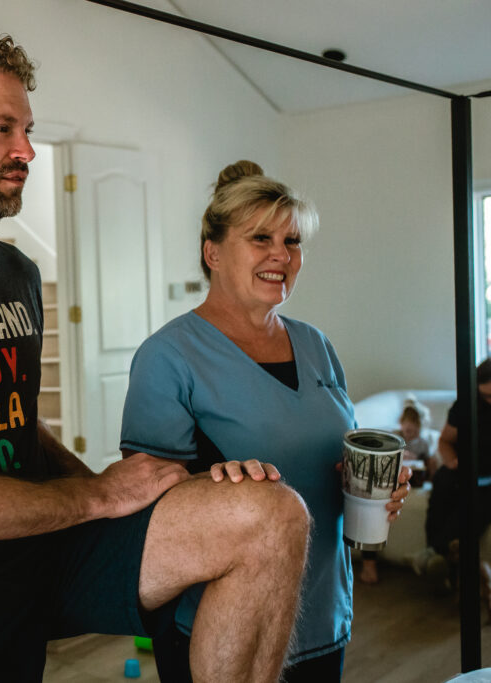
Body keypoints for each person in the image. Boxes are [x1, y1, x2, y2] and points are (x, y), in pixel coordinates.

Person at [0, 36, 311, 683]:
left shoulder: (17, 273)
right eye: (2, 128)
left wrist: (122, 493)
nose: (25, 150)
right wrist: (95, 494)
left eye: (27, 130)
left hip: (49, 552)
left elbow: (16, 422)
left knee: (271, 516)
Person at [120, 161, 412, 682]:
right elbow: (147, 504)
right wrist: (216, 488)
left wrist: (368, 489)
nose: (282, 254)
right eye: (261, 238)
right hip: (220, 629)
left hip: (322, 611)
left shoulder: (317, 346)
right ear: (213, 252)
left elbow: (328, 463)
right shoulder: (169, 357)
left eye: (293, 241)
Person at [420, 360, 491, 600]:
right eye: (484, 395)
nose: (488, 400)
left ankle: (437, 554)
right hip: (463, 468)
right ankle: (440, 553)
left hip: (488, 478)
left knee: (478, 499)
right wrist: (452, 462)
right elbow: (445, 441)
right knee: (442, 484)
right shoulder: (466, 405)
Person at [361, 396, 432, 584]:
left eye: (414, 431)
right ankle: (369, 564)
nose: (410, 434)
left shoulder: (423, 444)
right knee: (374, 511)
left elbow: (430, 467)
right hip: (389, 479)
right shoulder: (393, 438)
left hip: (412, 479)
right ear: (401, 424)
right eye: (407, 430)